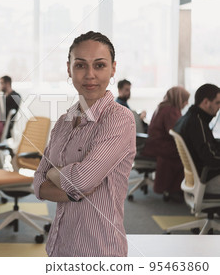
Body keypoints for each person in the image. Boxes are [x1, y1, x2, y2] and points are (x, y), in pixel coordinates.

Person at [33, 31, 136, 257]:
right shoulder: (63, 121)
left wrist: (55, 175)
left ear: (113, 69)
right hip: (59, 246)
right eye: (80, 65)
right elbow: (38, 182)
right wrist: (72, 188)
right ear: (69, 68)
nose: (90, 75)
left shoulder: (119, 118)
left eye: (99, 65)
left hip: (98, 251)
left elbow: (81, 181)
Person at [141, 86, 190, 201]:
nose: (187, 103)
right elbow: (176, 131)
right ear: (179, 99)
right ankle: (173, 190)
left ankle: (174, 189)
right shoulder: (170, 110)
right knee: (185, 155)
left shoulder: (163, 107)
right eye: (185, 100)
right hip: (160, 147)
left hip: (154, 145)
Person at [173, 84, 220, 194]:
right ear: (206, 102)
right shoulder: (197, 123)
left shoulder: (189, 118)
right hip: (206, 179)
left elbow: (208, 145)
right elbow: (211, 158)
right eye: (217, 103)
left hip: (199, 177)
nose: (219, 107)